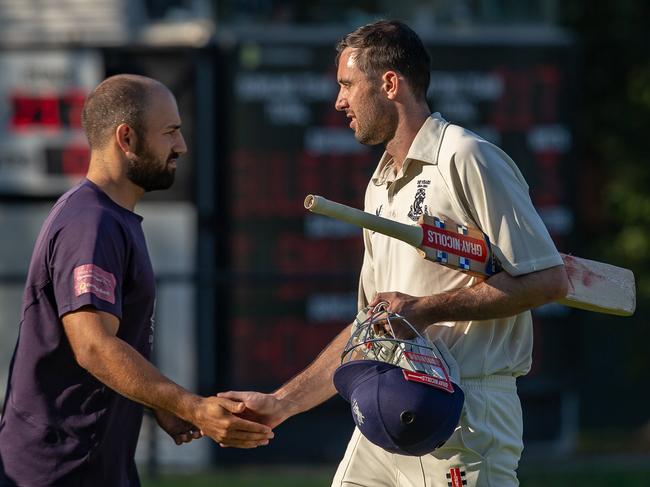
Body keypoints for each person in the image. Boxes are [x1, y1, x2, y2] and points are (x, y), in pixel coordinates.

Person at [219, 20, 569, 486]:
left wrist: (424, 310)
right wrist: (282, 403)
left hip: (466, 416)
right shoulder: (379, 184)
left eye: (347, 85)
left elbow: (549, 279)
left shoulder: (467, 156)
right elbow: (372, 326)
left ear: (389, 84)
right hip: (387, 406)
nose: (339, 101)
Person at [0, 74, 273, 486]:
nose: (181, 146)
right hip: (61, 470)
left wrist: (158, 401)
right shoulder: (91, 223)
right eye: (170, 133)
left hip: (92, 465)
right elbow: (94, 346)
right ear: (126, 138)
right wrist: (191, 406)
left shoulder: (108, 217)